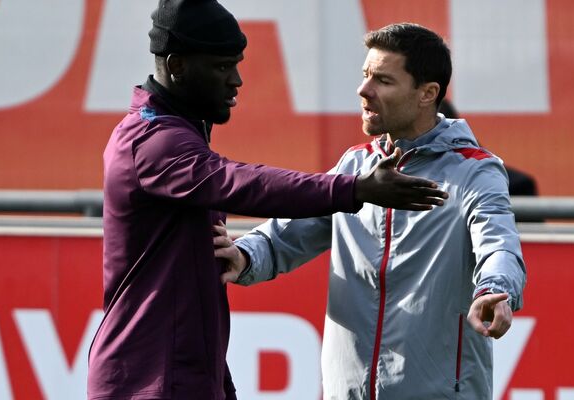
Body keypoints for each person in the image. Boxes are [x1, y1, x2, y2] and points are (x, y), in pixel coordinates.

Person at [86, 2, 447, 399]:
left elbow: (184, 302)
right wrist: (354, 189)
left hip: (172, 375)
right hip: (148, 382)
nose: (236, 80)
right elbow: (242, 183)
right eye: (223, 66)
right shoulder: (153, 141)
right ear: (178, 66)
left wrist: (219, 384)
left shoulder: (174, 133)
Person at [217, 23, 527, 399]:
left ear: (427, 94)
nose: (363, 91)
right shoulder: (354, 165)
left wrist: (496, 289)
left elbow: (499, 244)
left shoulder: (475, 170)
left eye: (383, 80)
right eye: (365, 76)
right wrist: (244, 254)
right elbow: (287, 234)